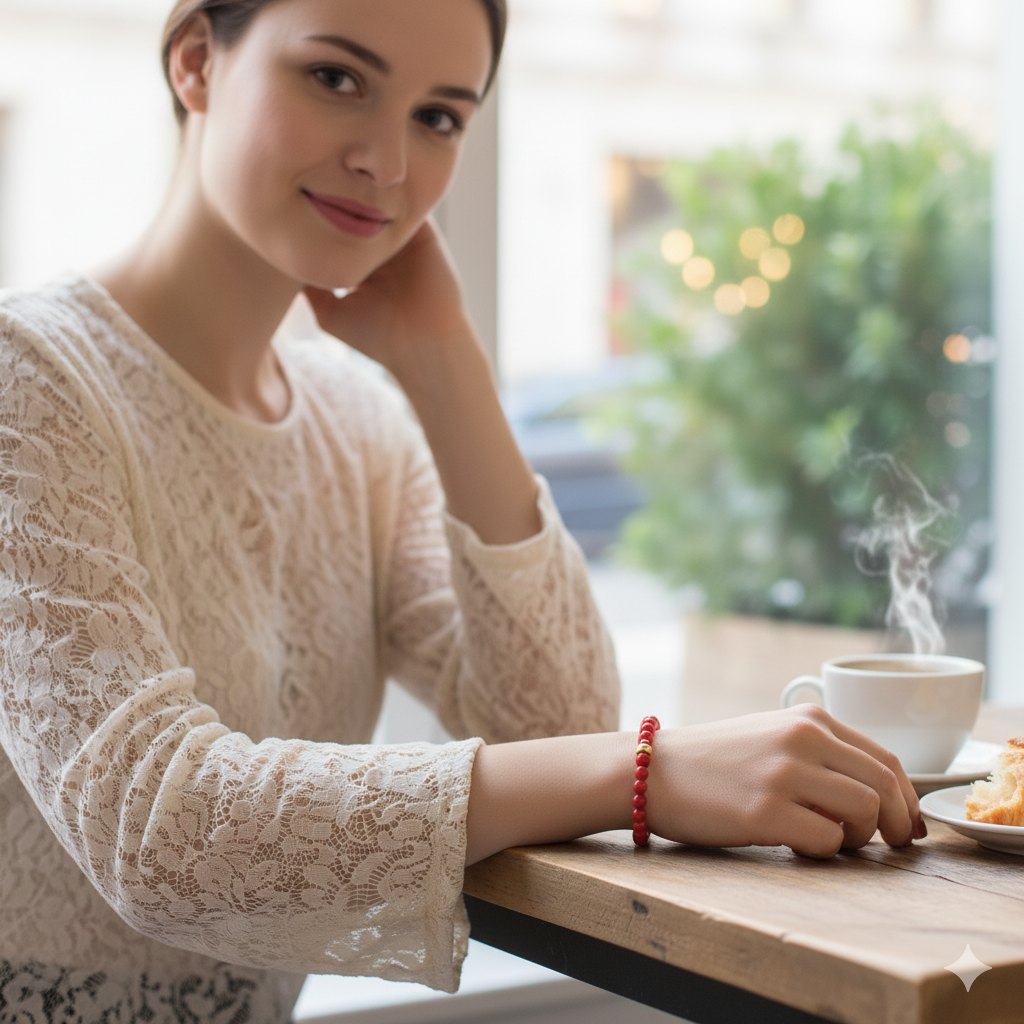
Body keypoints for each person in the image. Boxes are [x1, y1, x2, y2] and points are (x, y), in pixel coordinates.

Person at [0, 0, 925, 1021]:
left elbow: (557, 724)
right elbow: (157, 831)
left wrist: (445, 365)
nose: (388, 164)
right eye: (337, 78)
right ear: (196, 63)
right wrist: (649, 770)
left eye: (438, 117)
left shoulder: (357, 425)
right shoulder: (26, 381)